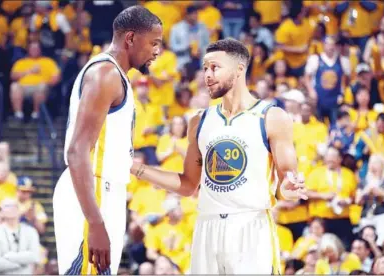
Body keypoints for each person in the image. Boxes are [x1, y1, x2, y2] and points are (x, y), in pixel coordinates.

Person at [130, 38, 307, 274]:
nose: (207, 75)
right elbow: (187, 185)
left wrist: (289, 190)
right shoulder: (199, 121)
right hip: (207, 227)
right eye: (205, 68)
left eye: (215, 67)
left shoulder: (271, 117)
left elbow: (285, 184)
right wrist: (134, 168)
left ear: (239, 70)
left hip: (250, 226)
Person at [52, 6, 162, 275]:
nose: (157, 51)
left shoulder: (113, 74)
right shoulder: (106, 74)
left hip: (103, 190)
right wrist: (95, 222)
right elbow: (77, 151)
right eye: (154, 43)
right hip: (94, 190)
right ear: (131, 39)